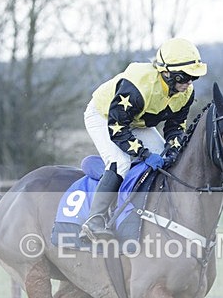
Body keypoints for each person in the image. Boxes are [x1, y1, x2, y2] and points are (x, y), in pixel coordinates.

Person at [79, 37, 208, 242]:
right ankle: (94, 220)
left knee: (169, 162)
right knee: (120, 162)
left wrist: (173, 150)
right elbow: (118, 128)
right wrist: (144, 153)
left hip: (137, 123)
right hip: (104, 117)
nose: (189, 83)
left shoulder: (186, 93)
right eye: (184, 77)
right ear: (166, 73)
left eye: (193, 77)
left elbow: (175, 127)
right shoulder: (136, 87)